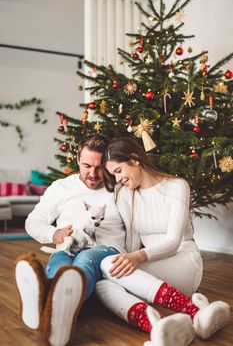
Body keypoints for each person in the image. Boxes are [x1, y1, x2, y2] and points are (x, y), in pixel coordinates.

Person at [95, 136, 230, 345]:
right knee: (104, 282)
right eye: (114, 174)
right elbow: (132, 240)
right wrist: (126, 262)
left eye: (119, 171)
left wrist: (138, 257)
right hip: (153, 267)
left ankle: (195, 311)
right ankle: (159, 327)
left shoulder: (177, 186)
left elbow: (174, 241)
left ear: (134, 159)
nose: (118, 179)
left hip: (183, 260)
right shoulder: (124, 194)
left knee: (108, 268)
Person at [14, 134, 126, 346]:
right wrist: (53, 235)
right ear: (77, 160)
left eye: (99, 166)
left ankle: (43, 304)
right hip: (66, 248)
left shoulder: (120, 189)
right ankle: (54, 312)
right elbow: (33, 221)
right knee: (60, 269)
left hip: (103, 251)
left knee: (84, 261)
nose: (92, 174)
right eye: (86, 165)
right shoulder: (61, 187)